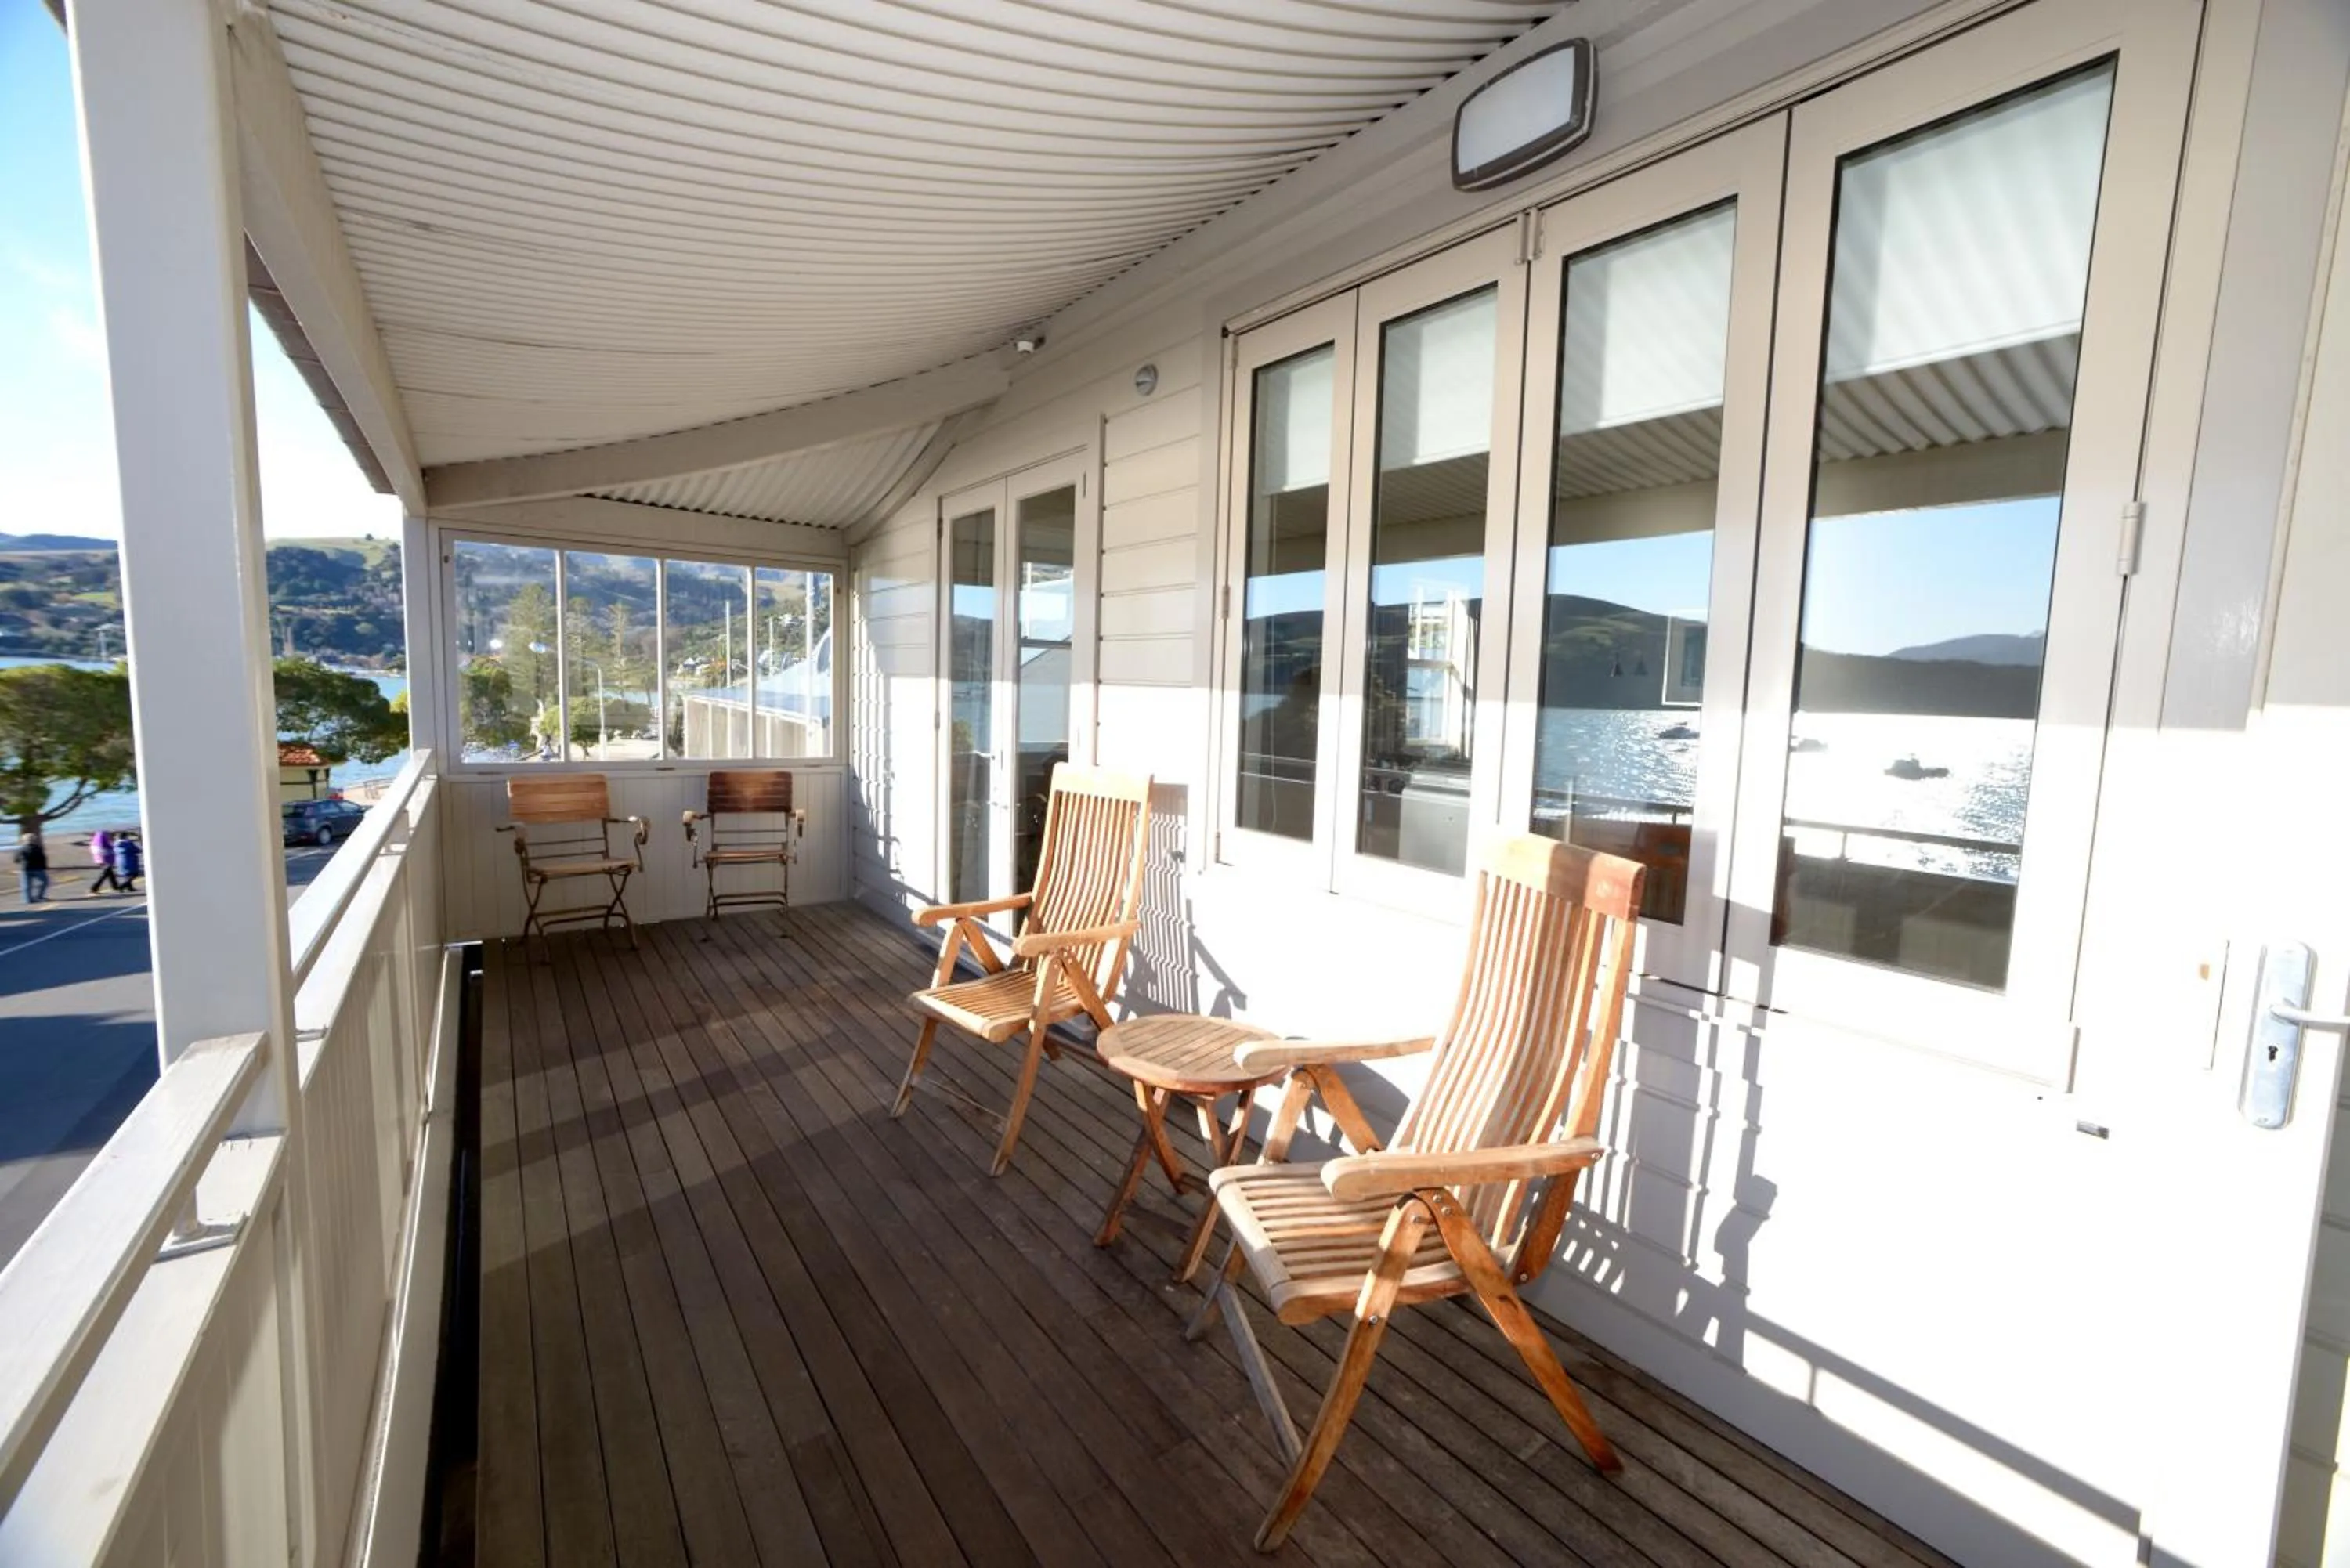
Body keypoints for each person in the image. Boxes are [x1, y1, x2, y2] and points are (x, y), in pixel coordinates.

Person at [13, 832, 47, 904]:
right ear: (34, 840)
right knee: (44, 882)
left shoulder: (21, 849)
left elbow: (16, 859)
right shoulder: (38, 848)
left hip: (26, 868)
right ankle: (39, 896)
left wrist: (21, 861)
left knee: (26, 885)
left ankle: (27, 899)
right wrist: (44, 867)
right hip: (38, 868)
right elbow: (43, 858)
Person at [87, 828, 121, 895]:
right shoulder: (104, 834)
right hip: (104, 855)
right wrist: (112, 846)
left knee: (109, 871)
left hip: (100, 855)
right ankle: (94, 888)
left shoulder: (98, 835)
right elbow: (107, 845)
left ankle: (115, 886)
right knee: (105, 872)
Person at [110, 830, 143, 895]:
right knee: (134, 874)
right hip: (129, 860)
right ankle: (122, 886)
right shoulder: (128, 843)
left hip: (119, 860)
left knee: (126, 875)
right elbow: (136, 850)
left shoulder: (115, 844)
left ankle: (130, 887)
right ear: (126, 836)